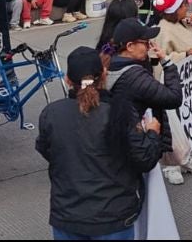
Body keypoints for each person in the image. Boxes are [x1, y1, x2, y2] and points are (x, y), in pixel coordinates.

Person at [37, 46, 162, 242]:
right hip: (113, 215)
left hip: (68, 215)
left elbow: (47, 150)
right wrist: (153, 134)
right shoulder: (119, 112)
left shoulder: (51, 114)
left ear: (68, 79)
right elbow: (144, 158)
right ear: (104, 74)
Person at [105, 18, 183, 181]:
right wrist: (167, 64)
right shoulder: (135, 76)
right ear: (130, 46)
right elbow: (173, 98)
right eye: (145, 42)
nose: (149, 47)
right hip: (138, 142)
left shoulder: (110, 65)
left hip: (119, 141)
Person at [151, 0, 192, 185]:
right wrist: (184, 55)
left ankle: (187, 159)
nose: (187, 7)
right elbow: (158, 61)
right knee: (171, 126)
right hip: (169, 86)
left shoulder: (184, 23)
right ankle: (172, 165)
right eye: (183, 5)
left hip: (187, 85)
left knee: (187, 123)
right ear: (175, 9)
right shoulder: (162, 29)